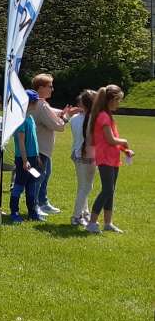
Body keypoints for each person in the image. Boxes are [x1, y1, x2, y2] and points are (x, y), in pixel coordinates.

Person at [85, 85, 132, 234]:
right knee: (107, 189)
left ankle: (108, 223)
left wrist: (125, 150)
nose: (119, 103)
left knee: (110, 191)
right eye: (118, 100)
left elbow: (114, 141)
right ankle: (92, 223)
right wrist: (124, 141)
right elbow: (111, 140)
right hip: (105, 158)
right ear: (110, 100)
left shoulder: (108, 116)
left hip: (113, 158)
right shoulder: (103, 116)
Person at [30, 74, 76, 216]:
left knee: (44, 174)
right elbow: (58, 125)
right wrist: (66, 117)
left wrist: (62, 112)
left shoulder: (37, 102)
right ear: (41, 88)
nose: (52, 89)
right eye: (50, 86)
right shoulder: (41, 104)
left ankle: (43, 202)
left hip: (41, 148)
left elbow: (51, 112)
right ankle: (35, 205)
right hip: (40, 148)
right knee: (38, 176)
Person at [11, 90, 44, 223]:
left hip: (33, 158)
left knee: (32, 185)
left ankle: (32, 212)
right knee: (19, 185)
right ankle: (14, 212)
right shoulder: (20, 120)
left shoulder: (30, 118)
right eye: (37, 101)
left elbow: (33, 140)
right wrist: (25, 161)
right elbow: (21, 141)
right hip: (24, 159)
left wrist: (36, 157)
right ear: (31, 102)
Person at [69, 90, 96, 226]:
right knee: (86, 187)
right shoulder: (93, 119)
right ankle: (77, 215)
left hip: (76, 153)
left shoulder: (74, 118)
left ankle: (84, 213)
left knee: (82, 186)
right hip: (88, 155)